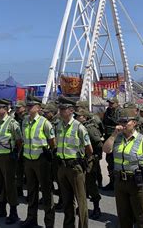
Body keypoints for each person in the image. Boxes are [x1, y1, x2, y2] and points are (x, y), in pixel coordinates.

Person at [103, 103, 143, 228]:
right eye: (120, 121)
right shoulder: (116, 139)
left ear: (134, 123)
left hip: (138, 183)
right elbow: (106, 150)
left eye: (126, 122)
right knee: (124, 218)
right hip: (120, 182)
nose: (122, 125)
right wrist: (113, 135)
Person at [55, 96, 92, 228]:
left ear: (71, 110)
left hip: (75, 167)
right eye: (60, 108)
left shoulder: (79, 127)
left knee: (81, 202)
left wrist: (82, 162)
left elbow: (89, 149)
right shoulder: (59, 125)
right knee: (67, 201)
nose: (60, 111)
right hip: (62, 167)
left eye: (63, 108)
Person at [20, 95, 56, 228]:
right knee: (31, 191)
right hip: (28, 160)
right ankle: (31, 219)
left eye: (31, 106)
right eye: (28, 105)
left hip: (41, 161)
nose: (29, 107)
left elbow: (52, 141)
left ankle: (49, 223)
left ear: (38, 108)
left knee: (46, 193)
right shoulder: (24, 121)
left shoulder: (44, 122)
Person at [0, 98, 22, 224]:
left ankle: (13, 212)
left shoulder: (12, 123)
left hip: (8, 157)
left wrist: (15, 154)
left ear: (6, 108)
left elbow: (19, 141)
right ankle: (2, 208)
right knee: (0, 184)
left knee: (10, 185)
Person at [75, 103, 103, 219]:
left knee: (91, 184)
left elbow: (99, 143)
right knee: (81, 184)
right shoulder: (77, 126)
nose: (77, 117)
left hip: (89, 160)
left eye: (79, 116)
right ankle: (82, 206)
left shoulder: (90, 128)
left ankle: (97, 207)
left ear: (84, 117)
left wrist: (95, 157)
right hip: (80, 159)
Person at [102, 97, 121, 190]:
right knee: (110, 162)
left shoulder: (120, 112)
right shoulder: (107, 112)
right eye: (109, 103)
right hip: (108, 139)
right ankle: (112, 182)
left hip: (117, 140)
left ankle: (118, 183)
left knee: (117, 162)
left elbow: (119, 123)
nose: (110, 105)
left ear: (117, 104)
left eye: (112, 103)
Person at [14, 100, 27, 197]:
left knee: (27, 170)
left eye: (19, 107)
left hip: (26, 146)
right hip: (18, 145)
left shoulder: (26, 118)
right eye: (16, 107)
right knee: (18, 169)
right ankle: (19, 189)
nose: (17, 109)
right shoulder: (15, 117)